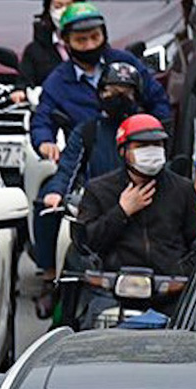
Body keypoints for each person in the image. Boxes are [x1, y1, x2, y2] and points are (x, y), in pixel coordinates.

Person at [77, 114, 196, 298]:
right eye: (141, 146)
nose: (151, 151)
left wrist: (181, 272)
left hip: (171, 291)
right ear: (123, 151)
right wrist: (122, 212)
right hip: (113, 291)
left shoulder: (182, 189)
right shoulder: (98, 190)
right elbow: (87, 243)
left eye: (157, 145)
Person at [30, 2, 171, 170]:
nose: (90, 45)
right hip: (87, 163)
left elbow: (158, 100)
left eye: (95, 37)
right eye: (81, 40)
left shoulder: (125, 63)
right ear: (66, 41)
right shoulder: (57, 82)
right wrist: (45, 142)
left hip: (137, 156)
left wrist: (154, 135)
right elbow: (43, 119)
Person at [40, 58, 146, 247]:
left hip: (142, 207)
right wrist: (56, 192)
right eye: (112, 92)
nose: (118, 98)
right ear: (100, 94)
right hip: (96, 208)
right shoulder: (87, 131)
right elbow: (67, 169)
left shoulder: (147, 131)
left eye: (126, 93)